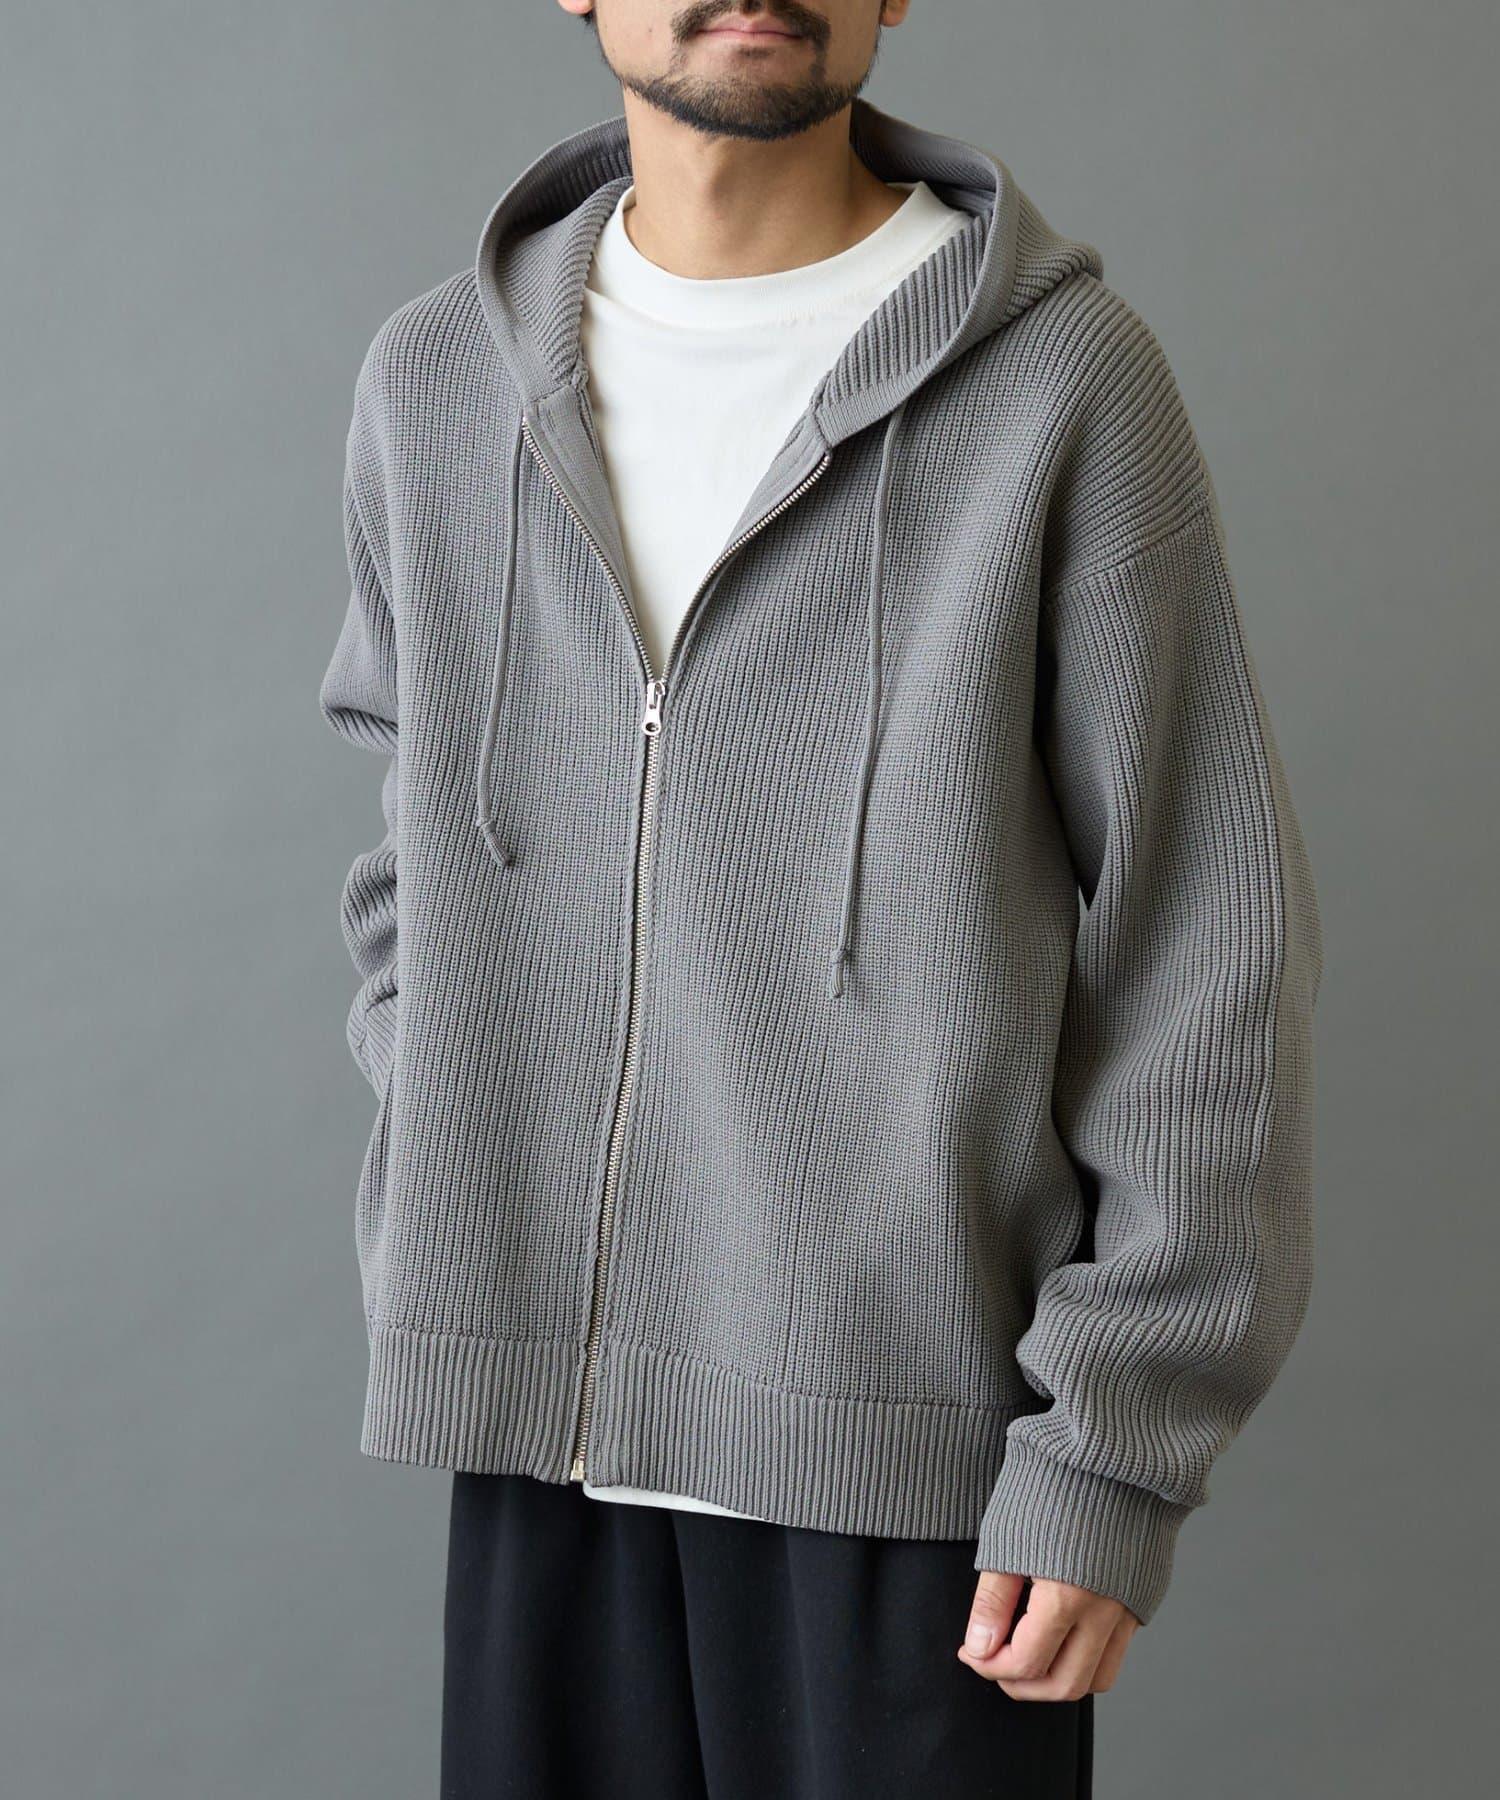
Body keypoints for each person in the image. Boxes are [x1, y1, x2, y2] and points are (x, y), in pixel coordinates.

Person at [316, 3, 1324, 1794]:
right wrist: (457, 1117)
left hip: (915, 1474)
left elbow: (1204, 943)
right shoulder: (436, 380)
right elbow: (409, 843)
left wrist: (1111, 1452)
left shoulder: (1063, 382)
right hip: (538, 1448)